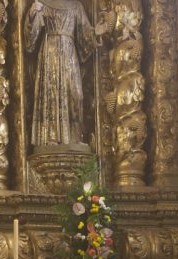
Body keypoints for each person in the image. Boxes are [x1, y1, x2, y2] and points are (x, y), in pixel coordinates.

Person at [23, 0, 107, 149]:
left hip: (69, 52)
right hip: (50, 53)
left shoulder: (76, 6)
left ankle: (74, 137)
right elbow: (31, 39)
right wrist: (32, 14)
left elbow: (84, 34)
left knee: (76, 94)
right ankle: (50, 136)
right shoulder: (43, 3)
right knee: (52, 93)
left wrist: (95, 32)